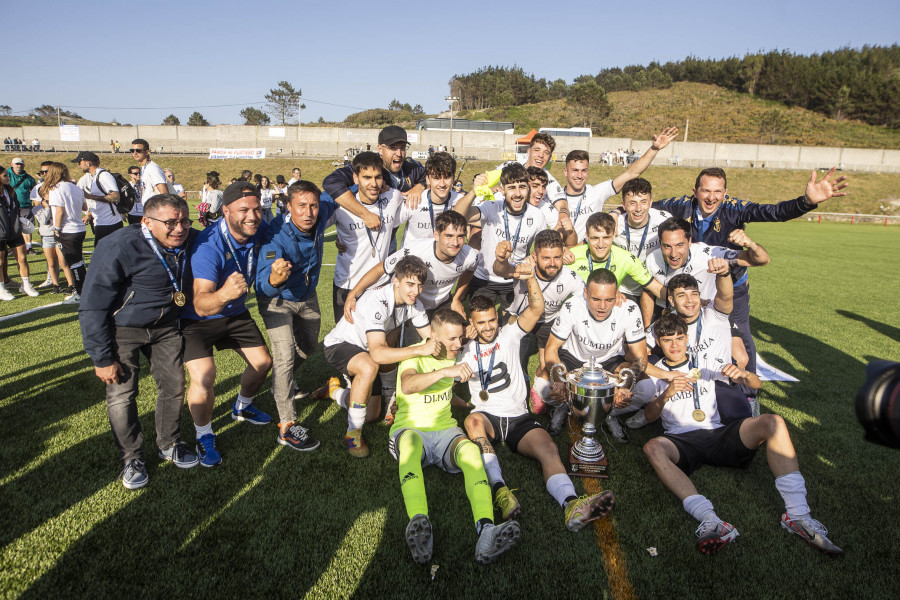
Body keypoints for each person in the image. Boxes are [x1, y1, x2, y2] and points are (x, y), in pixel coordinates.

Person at [641, 312, 843, 556]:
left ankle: (798, 515)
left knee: (774, 421)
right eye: (667, 340)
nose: (674, 345)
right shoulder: (656, 372)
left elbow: (756, 384)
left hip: (718, 432)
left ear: (687, 339)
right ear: (658, 343)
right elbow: (649, 416)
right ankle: (710, 520)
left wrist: (744, 374)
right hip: (680, 439)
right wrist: (665, 395)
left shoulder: (704, 361)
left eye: (680, 338)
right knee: (652, 447)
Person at [651, 167, 847, 393]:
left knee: (741, 342)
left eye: (718, 191)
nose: (711, 197)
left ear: (725, 192)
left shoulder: (735, 208)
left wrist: (805, 202)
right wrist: (616, 214)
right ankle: (677, 388)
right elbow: (641, 207)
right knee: (678, 336)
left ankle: (749, 394)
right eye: (706, 191)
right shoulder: (680, 205)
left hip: (731, 288)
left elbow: (773, 212)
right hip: (695, 291)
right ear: (695, 191)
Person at [460, 263, 617, 531]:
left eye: (491, 320)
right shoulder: (462, 348)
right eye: (481, 323)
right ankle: (500, 491)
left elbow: (536, 309)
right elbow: (435, 355)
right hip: (486, 417)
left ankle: (571, 505)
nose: (487, 327)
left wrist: (531, 277)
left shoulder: (509, 334)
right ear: (471, 324)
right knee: (473, 423)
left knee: (548, 449)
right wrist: (460, 338)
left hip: (519, 417)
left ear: (497, 317)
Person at [79, 194, 201, 489]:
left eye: (185, 220)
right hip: (123, 329)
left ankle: (169, 443)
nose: (180, 228)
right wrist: (102, 358)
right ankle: (132, 457)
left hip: (166, 327)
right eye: (170, 222)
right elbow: (92, 305)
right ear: (146, 221)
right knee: (122, 395)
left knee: (173, 386)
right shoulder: (119, 245)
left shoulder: (191, 238)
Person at [391, 308, 522, 565]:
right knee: (408, 446)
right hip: (412, 429)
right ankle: (419, 523)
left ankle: (486, 530)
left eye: (460, 337)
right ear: (433, 336)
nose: (457, 344)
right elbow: (408, 385)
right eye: (451, 339)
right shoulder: (414, 355)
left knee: (472, 453)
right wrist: (444, 372)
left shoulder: (455, 353)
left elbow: (445, 392)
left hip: (445, 431)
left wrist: (465, 403)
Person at [343, 211, 479, 418]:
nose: (455, 242)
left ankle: (444, 393)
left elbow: (470, 268)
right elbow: (382, 268)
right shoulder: (415, 250)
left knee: (443, 346)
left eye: (460, 236)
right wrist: (354, 293)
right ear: (436, 235)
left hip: (439, 305)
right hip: (412, 302)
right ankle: (395, 397)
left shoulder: (470, 255)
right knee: (403, 347)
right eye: (449, 236)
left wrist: (457, 298)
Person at [181, 181, 273, 467]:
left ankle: (242, 407)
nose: (252, 215)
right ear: (225, 211)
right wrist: (223, 294)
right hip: (197, 319)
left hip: (233, 314)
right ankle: (204, 434)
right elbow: (200, 303)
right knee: (205, 375)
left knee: (262, 363)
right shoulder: (209, 246)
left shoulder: (258, 232)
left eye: (256, 209)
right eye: (243, 209)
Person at [323, 256, 433, 458]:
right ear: (396, 281)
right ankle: (352, 433)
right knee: (369, 365)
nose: (415, 291)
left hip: (367, 352)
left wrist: (453, 341)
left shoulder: (414, 304)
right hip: (340, 345)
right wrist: (419, 350)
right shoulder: (378, 300)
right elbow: (378, 353)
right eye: (410, 284)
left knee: (372, 414)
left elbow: (430, 337)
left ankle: (335, 392)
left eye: (420, 286)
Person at [255, 180, 337, 451]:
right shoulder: (274, 235)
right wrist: (275, 279)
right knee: (285, 355)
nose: (309, 212)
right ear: (288, 206)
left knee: (310, 346)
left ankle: (283, 381)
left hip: (308, 297)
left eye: (313, 205)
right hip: (277, 300)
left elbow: (337, 183)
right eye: (301, 206)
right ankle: (287, 425)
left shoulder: (322, 210)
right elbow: (264, 283)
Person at [544, 268, 664, 442]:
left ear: (617, 294)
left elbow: (640, 358)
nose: (602, 306)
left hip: (610, 361)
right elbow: (551, 349)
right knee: (542, 387)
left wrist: (624, 388)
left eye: (609, 299)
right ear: (585, 293)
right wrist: (558, 381)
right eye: (596, 299)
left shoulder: (629, 308)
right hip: (573, 359)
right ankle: (565, 406)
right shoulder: (573, 305)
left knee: (647, 390)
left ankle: (607, 412)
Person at [497, 229, 583, 414]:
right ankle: (516, 401)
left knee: (547, 365)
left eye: (557, 257)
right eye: (546, 258)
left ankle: (537, 391)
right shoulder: (523, 267)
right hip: (519, 320)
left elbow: (587, 297)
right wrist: (502, 261)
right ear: (534, 256)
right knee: (515, 364)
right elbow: (501, 270)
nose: (552, 264)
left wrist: (614, 292)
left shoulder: (570, 277)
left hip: (547, 322)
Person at [552, 127, 677, 243]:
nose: (579, 175)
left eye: (583, 170)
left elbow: (631, 173)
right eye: (574, 170)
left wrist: (654, 149)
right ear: (565, 171)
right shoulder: (555, 197)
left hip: (587, 256)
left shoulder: (596, 192)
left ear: (587, 172)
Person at [643, 218, 769, 327]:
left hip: (705, 318)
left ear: (690, 241)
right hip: (668, 319)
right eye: (667, 246)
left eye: (679, 245)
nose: (674, 253)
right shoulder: (652, 259)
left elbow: (762, 260)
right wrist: (647, 326)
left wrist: (751, 245)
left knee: (740, 354)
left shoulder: (707, 254)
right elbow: (648, 293)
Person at [328, 151, 406, 321]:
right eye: (367, 177)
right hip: (347, 284)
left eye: (378, 177)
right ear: (355, 178)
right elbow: (314, 228)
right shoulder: (340, 206)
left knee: (380, 339)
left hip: (380, 284)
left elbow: (416, 199)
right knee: (347, 341)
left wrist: (420, 187)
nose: (373, 184)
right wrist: (338, 239)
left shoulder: (393, 197)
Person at [322, 125, 426, 252]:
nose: (399, 153)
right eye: (393, 148)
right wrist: (365, 215)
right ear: (380, 149)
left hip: (388, 241)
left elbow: (431, 175)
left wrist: (420, 186)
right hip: (360, 243)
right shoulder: (368, 164)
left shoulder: (411, 169)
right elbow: (331, 182)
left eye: (403, 148)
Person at [465, 162, 546, 315]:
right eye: (511, 188)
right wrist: (474, 191)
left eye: (522, 187)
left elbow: (542, 250)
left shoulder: (536, 215)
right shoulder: (491, 207)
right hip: (484, 278)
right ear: (502, 190)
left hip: (514, 279)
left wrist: (533, 259)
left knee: (511, 329)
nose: (517, 193)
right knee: (480, 327)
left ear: (528, 188)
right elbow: (461, 215)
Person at [565, 212, 666, 308]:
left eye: (606, 237)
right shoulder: (571, 256)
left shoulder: (626, 258)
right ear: (587, 237)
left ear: (614, 236)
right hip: (576, 311)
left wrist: (679, 301)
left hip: (605, 309)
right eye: (595, 238)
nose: (600, 244)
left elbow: (656, 288)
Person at [395, 152, 477, 248]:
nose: (442, 184)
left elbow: (482, 219)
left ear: (453, 179)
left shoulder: (460, 201)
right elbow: (388, 224)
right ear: (428, 179)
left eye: (446, 178)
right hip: (414, 260)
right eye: (436, 178)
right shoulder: (415, 199)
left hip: (442, 260)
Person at [613, 178, 671, 303]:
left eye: (643, 202)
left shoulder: (664, 220)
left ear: (650, 202)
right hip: (623, 290)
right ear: (623, 205)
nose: (638, 208)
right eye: (632, 203)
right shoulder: (614, 224)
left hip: (654, 289)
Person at [41, 162, 87, 303]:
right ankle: (83, 289)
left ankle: (80, 292)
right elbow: (84, 206)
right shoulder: (75, 187)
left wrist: (57, 228)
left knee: (73, 262)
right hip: (79, 228)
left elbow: (59, 211)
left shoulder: (56, 189)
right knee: (78, 261)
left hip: (67, 230)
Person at [0, 169, 39, 300]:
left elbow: (15, 208)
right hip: (1, 232)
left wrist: (19, 221)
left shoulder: (10, 191)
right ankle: (1, 289)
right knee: (0, 261)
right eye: (5, 176)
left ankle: (26, 285)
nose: (8, 178)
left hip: (14, 230)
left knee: (22, 258)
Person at [30, 161, 67, 292]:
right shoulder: (39, 190)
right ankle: (53, 281)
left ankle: (72, 283)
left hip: (63, 230)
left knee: (65, 260)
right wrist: (46, 206)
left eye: (47, 171)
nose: (44, 174)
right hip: (47, 232)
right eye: (42, 172)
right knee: (51, 261)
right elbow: (41, 216)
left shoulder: (62, 187)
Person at [73, 151, 123, 245]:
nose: (79, 166)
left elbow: (115, 197)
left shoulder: (103, 175)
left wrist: (89, 196)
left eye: (79, 162)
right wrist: (89, 214)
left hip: (109, 223)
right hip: (101, 222)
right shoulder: (93, 177)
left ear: (88, 163)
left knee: (103, 255)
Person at [524, 166, 576, 245]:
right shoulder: (508, 202)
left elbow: (569, 243)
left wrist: (569, 232)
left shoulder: (546, 208)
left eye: (543, 187)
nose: (541, 191)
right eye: (535, 186)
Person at [7, 158, 37, 254]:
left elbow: (35, 191)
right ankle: (12, 247)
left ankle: (29, 247)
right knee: (11, 226)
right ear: (12, 164)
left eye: (21, 164)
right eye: (17, 164)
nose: (19, 166)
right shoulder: (6, 175)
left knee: (26, 226)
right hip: (10, 206)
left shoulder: (29, 178)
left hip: (25, 205)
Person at [130, 139, 168, 206]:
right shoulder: (144, 169)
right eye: (132, 151)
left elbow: (164, 193)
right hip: (148, 210)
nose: (135, 153)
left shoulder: (153, 168)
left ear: (147, 152)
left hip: (155, 210)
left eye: (138, 151)